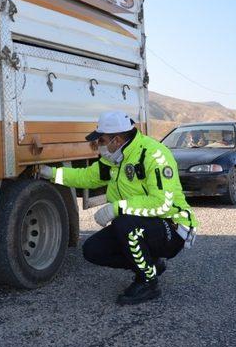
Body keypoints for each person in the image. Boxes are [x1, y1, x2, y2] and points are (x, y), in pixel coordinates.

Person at [38, 111, 198, 305]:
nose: (98, 145)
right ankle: (151, 265)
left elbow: (162, 202)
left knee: (126, 224)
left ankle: (148, 282)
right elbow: (86, 177)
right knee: (93, 250)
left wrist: (117, 208)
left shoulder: (154, 155)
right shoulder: (114, 158)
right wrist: (52, 173)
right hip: (139, 223)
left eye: (102, 140)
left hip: (171, 227)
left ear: (117, 139)